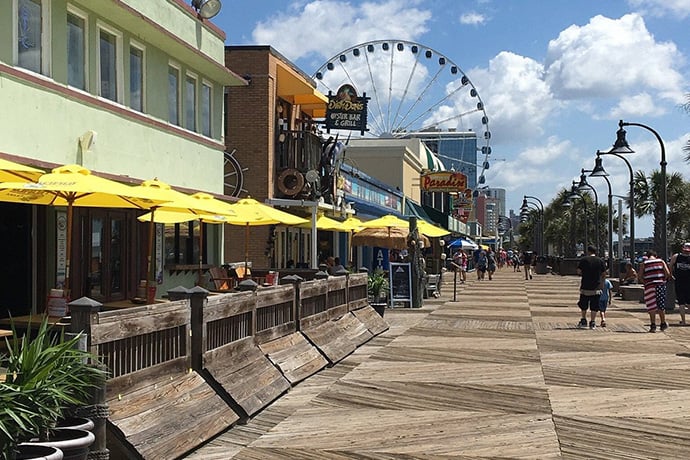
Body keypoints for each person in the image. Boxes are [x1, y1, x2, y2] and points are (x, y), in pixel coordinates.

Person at [638, 249, 671, 333]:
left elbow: (640, 276)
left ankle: (653, 325)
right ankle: (663, 323)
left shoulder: (643, 264)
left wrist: (645, 282)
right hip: (660, 285)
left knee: (651, 305)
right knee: (661, 305)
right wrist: (663, 280)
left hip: (649, 286)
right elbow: (667, 273)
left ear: (648, 256)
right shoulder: (661, 261)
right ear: (655, 256)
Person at [576, 245, 607, 329]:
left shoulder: (583, 260)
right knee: (594, 305)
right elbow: (604, 274)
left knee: (584, 304)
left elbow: (579, 271)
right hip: (596, 287)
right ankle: (592, 322)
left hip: (585, 286)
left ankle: (583, 319)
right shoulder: (600, 261)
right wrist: (602, 284)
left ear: (588, 251)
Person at [670, 242, 690, 325]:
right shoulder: (676, 256)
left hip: (679, 282)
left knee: (681, 302)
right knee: (688, 302)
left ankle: (684, 321)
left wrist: (671, 275)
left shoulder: (676, 256)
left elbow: (670, 266)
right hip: (687, 282)